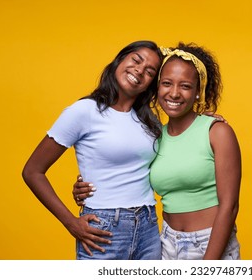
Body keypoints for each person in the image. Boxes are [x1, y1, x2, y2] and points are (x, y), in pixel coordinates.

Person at [73, 42, 242, 260]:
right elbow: (127, 173)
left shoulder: (216, 132)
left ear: (198, 92)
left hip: (209, 243)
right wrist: (86, 186)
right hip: (165, 243)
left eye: (185, 86)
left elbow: (230, 207)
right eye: (167, 83)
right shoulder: (153, 137)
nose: (174, 93)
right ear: (157, 87)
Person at [22, 40, 164, 260]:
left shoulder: (149, 121)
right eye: (136, 60)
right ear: (119, 61)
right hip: (104, 227)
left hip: (148, 225)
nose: (139, 70)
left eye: (150, 71)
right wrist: (70, 223)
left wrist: (205, 120)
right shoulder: (83, 111)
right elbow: (32, 171)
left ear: (150, 84)